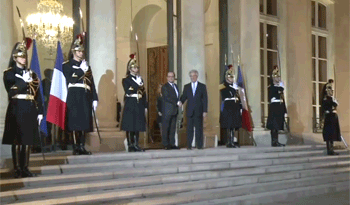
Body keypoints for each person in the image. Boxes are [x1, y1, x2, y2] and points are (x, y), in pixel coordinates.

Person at [2, 41, 43, 178]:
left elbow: (37, 94)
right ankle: (17, 169)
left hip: (30, 108)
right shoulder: (9, 73)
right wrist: (22, 82)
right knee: (17, 140)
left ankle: (25, 167)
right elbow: (11, 91)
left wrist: (41, 111)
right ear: (14, 58)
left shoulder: (32, 74)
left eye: (24, 56)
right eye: (20, 56)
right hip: (17, 108)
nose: (23, 58)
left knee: (27, 140)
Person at [63, 36, 98, 155]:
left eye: (82, 51)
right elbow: (71, 79)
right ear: (73, 51)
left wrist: (94, 98)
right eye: (78, 51)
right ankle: (76, 147)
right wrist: (80, 71)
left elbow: (91, 83)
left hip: (85, 95)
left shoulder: (87, 66)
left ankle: (82, 146)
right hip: (74, 95)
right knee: (74, 122)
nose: (81, 53)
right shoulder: (66, 65)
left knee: (84, 122)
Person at [121, 54, 147, 152]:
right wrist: (138, 84)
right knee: (130, 125)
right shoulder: (126, 80)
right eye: (134, 67)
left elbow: (143, 93)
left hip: (139, 103)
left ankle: (136, 144)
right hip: (131, 103)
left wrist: (145, 105)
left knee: (137, 125)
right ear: (130, 69)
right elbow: (129, 91)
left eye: (137, 67)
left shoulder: (140, 79)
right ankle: (130, 144)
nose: (136, 69)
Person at [179, 69, 208, 150]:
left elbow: (205, 99)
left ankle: (199, 145)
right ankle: (189, 145)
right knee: (189, 129)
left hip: (199, 111)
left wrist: (205, 111)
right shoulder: (186, 86)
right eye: (191, 76)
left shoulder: (202, 86)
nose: (192, 77)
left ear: (197, 76)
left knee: (199, 129)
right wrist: (180, 102)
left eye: (194, 76)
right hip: (190, 111)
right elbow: (184, 97)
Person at [220, 68, 242, 148]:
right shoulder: (223, 86)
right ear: (226, 78)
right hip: (228, 106)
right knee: (229, 125)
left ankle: (233, 141)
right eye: (230, 77)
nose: (231, 79)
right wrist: (232, 88)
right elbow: (225, 95)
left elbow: (237, 97)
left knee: (234, 125)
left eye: (232, 77)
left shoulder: (234, 87)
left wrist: (240, 107)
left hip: (234, 106)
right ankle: (229, 142)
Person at [266, 66, 286, 147]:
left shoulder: (279, 87)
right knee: (274, 125)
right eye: (276, 77)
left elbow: (282, 96)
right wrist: (280, 87)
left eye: (278, 77)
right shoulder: (272, 87)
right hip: (274, 106)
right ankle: (273, 141)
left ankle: (276, 141)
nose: (278, 78)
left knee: (278, 125)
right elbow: (274, 93)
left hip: (279, 106)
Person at [321, 80, 341, 155]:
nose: (331, 91)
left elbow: (335, 105)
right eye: (329, 90)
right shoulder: (325, 99)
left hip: (333, 117)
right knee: (329, 135)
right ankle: (329, 150)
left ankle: (331, 149)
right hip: (329, 118)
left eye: (331, 90)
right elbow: (326, 107)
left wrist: (335, 102)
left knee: (333, 134)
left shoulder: (332, 99)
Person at [161, 72, 180, 150]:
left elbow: (177, 96)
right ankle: (166, 144)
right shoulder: (165, 87)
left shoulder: (176, 86)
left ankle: (172, 143)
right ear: (167, 78)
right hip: (167, 111)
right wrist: (177, 102)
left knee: (173, 128)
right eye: (169, 76)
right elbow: (167, 97)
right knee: (166, 128)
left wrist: (179, 101)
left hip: (174, 110)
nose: (171, 78)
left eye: (172, 76)